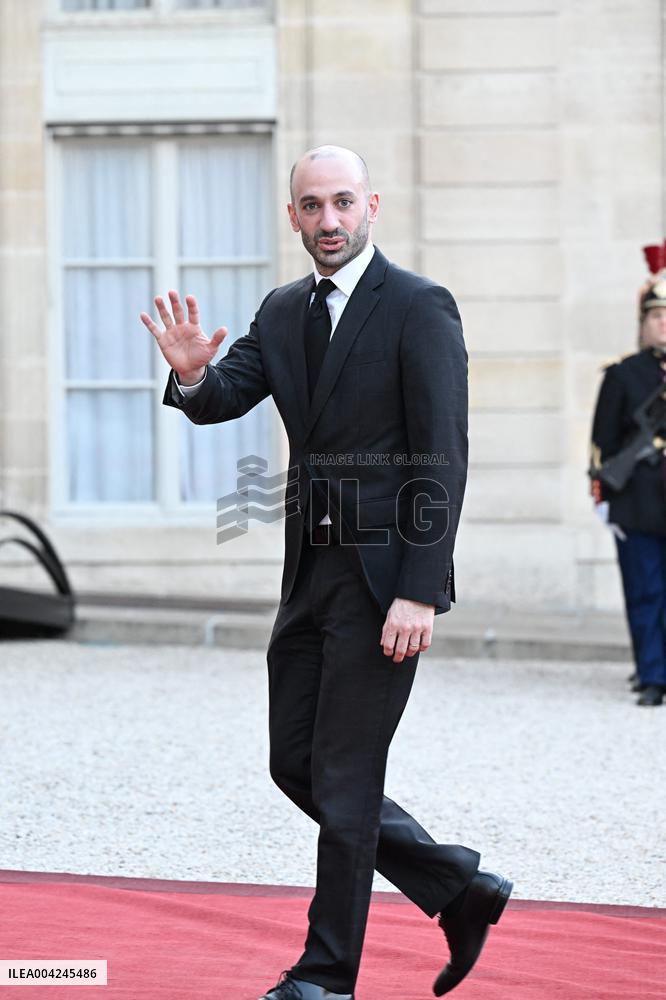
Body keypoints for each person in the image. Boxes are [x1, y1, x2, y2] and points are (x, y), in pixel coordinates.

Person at [140, 145, 512, 999]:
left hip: (385, 583)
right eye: (312, 206)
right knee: (296, 762)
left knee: (345, 780)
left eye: (343, 202)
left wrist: (420, 589)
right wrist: (191, 375)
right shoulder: (282, 310)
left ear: (371, 206)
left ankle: (325, 978)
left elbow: (443, 456)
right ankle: (458, 886)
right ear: (293, 217)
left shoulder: (419, 306)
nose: (329, 220)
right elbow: (224, 395)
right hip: (309, 574)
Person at [590, 277, 666, 707]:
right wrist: (602, 498)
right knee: (645, 591)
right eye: (657, 316)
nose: (664, 323)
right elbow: (602, 444)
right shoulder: (623, 374)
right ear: (643, 324)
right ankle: (653, 675)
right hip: (638, 503)